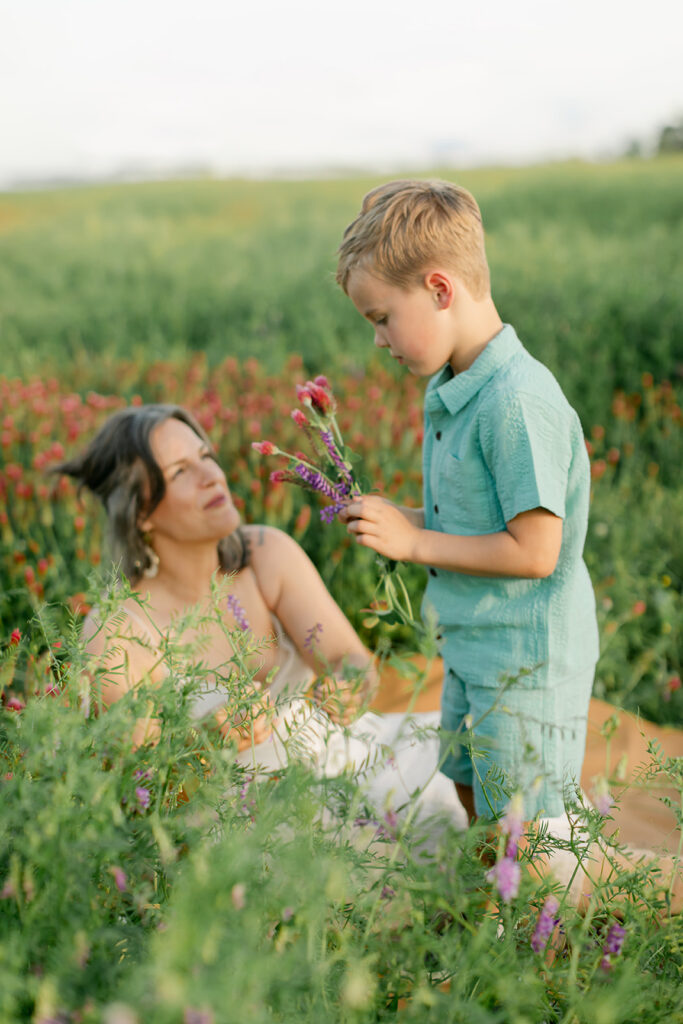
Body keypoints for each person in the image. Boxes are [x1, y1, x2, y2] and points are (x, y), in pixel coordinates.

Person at [55, 403, 468, 828]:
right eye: (180, 472)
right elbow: (138, 796)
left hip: (350, 768)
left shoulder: (264, 555)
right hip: (242, 829)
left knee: (487, 777)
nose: (212, 475)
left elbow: (354, 662)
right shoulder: (116, 636)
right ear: (140, 512)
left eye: (206, 456)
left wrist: (348, 688)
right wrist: (209, 743)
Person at [336, 179, 600, 826]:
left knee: (522, 824)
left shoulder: (516, 401)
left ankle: (536, 920)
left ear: (438, 290)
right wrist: (407, 520)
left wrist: (415, 543)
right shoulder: (458, 387)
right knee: (465, 783)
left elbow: (536, 551)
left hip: (525, 663)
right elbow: (474, 526)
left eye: (381, 318)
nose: (378, 340)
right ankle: (494, 904)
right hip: (472, 645)